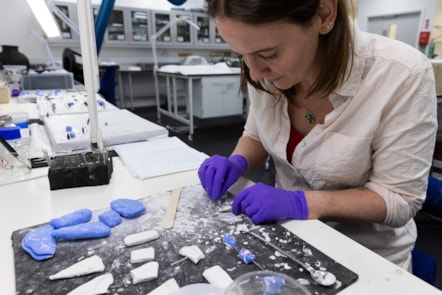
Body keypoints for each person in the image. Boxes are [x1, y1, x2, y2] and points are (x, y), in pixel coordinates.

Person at [197, 0, 438, 271]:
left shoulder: (402, 74)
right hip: (289, 238)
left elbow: (398, 199)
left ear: (324, 14)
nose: (254, 73)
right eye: (241, 55)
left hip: (365, 259)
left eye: (268, 55)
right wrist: (237, 161)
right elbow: (256, 135)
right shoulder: (264, 72)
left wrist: (301, 202)